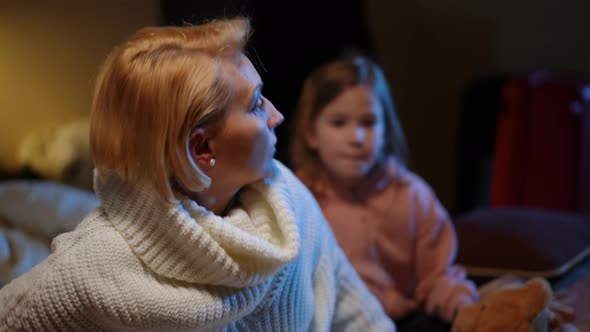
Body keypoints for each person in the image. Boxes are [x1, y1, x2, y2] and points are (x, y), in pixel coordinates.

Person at [0, 18, 395, 331]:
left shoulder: (290, 199)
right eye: (257, 104)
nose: (277, 115)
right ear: (203, 149)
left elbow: (357, 311)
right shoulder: (91, 269)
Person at [290, 55, 478, 331]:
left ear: (385, 130)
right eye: (339, 122)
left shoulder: (412, 195)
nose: (356, 138)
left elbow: (438, 277)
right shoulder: (297, 197)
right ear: (311, 133)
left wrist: (464, 308)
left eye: (368, 122)